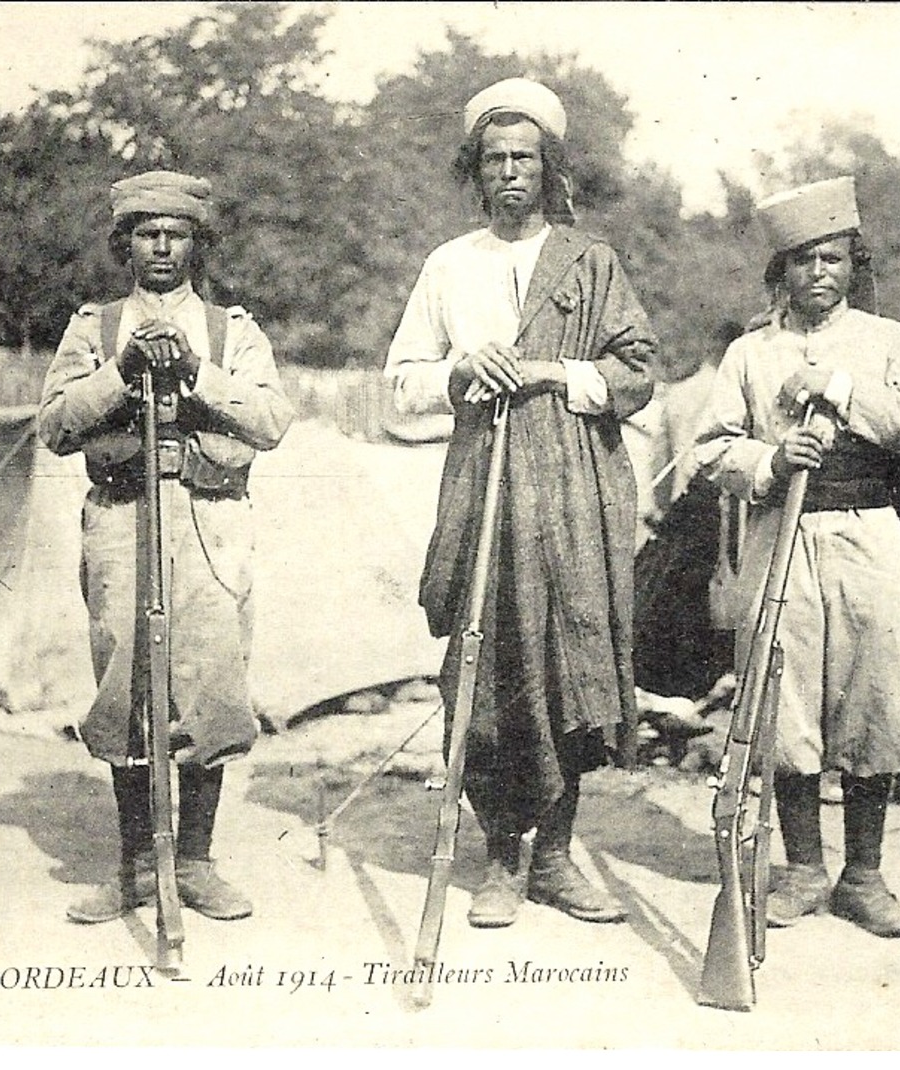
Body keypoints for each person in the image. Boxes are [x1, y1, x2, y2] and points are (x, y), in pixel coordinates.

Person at [385, 78, 657, 929]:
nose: (510, 173)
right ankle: (499, 857)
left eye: (525, 158)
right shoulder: (449, 265)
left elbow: (637, 372)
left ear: (549, 170)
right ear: (476, 170)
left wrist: (549, 370)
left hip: (575, 487)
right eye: (495, 159)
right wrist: (461, 370)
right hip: (484, 487)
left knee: (572, 664)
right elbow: (398, 386)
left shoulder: (591, 261)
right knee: (489, 660)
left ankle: (555, 858)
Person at [693, 177, 900, 937]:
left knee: (872, 698)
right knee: (786, 700)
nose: (818, 274)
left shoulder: (889, 341)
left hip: (867, 536)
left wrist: (838, 388)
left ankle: (863, 876)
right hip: (780, 542)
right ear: (782, 269)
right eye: (802, 260)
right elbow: (708, 450)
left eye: (832, 259)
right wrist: (770, 461)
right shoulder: (748, 352)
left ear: (852, 264)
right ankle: (803, 869)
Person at [39, 170, 293, 924]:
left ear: (195, 243)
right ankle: (135, 867)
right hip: (121, 518)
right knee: (125, 683)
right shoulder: (94, 326)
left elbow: (274, 422)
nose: (160, 245)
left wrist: (195, 372)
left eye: (175, 233)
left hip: (209, 521)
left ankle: (197, 862)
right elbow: (54, 426)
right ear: (125, 245)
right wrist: (122, 373)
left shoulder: (232, 330)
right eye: (145, 233)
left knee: (212, 685)